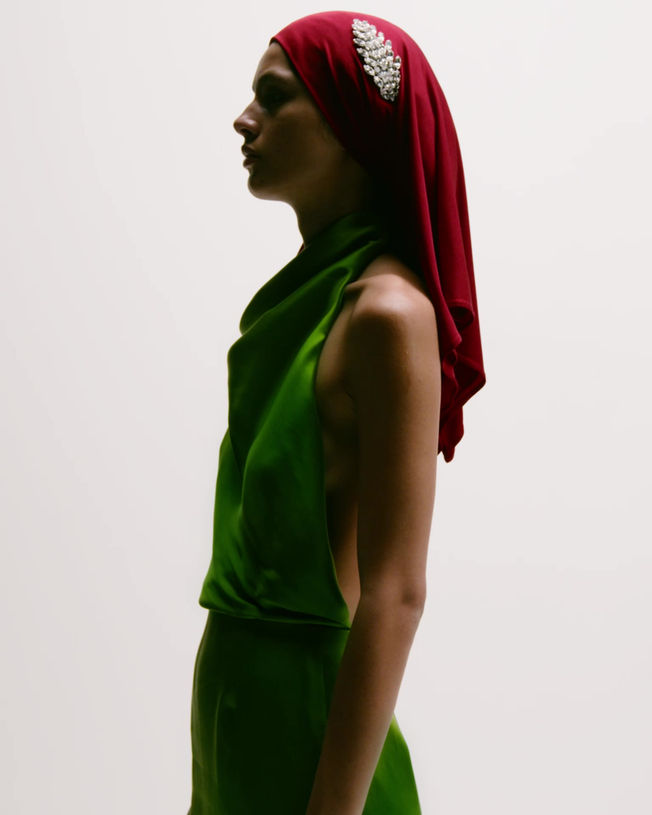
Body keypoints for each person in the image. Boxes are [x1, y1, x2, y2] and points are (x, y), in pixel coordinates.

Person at [187, 11, 486, 815]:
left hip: (312, 741)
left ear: (351, 125)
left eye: (273, 96)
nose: (244, 118)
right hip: (234, 731)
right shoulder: (305, 298)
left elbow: (396, 590)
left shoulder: (386, 315)